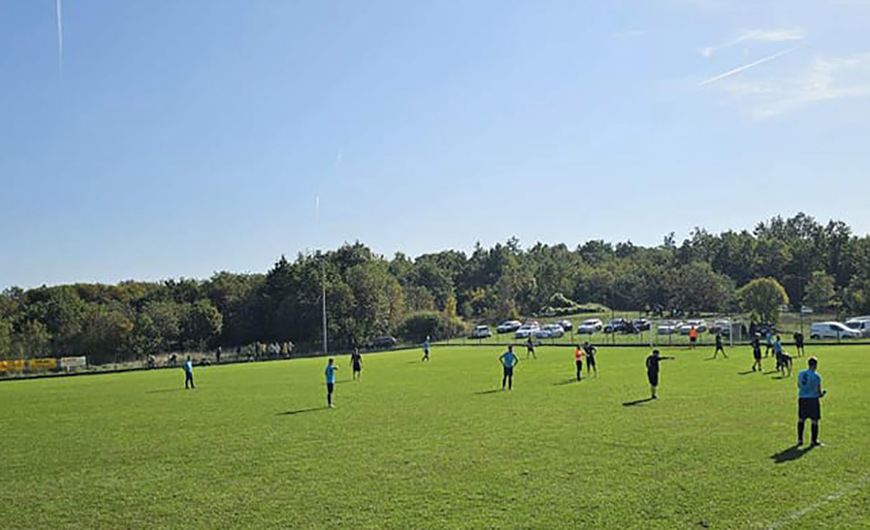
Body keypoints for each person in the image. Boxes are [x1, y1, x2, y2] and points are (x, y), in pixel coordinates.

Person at [797, 357, 826, 446]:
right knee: (814, 420)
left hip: (802, 398)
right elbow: (818, 391)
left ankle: (800, 439)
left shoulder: (801, 373)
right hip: (813, 400)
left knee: (801, 419)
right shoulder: (816, 376)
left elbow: (798, 385)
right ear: (815, 365)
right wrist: (822, 394)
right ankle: (813, 441)